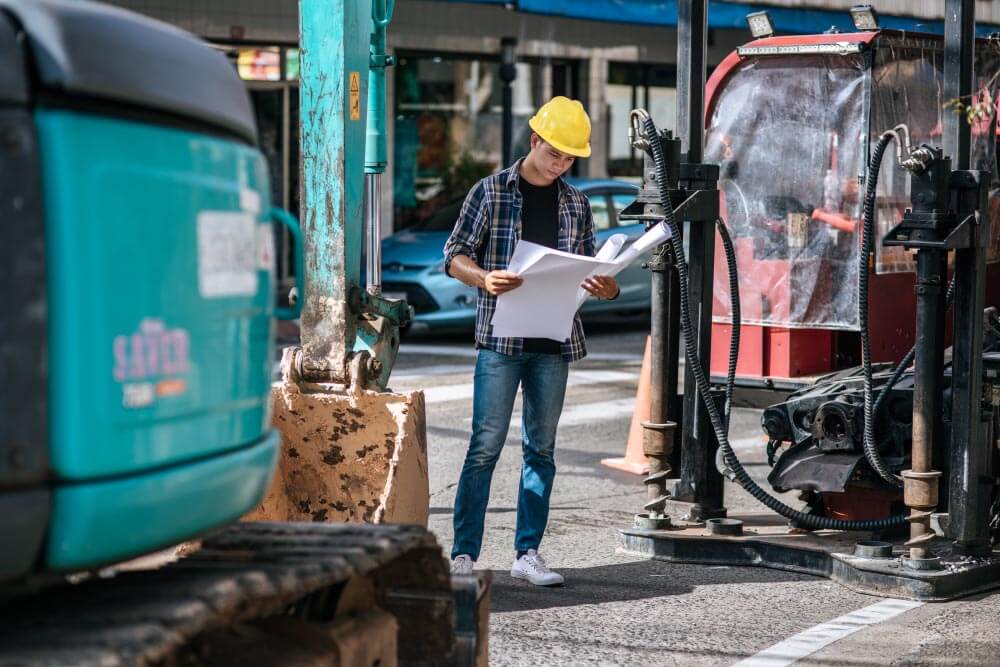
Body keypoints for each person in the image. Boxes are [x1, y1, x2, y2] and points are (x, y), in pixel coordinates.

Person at [443, 96, 619, 586]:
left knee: (541, 449)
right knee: (484, 446)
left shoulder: (577, 203)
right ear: (534, 140)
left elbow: (590, 268)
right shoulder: (492, 191)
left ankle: (528, 552)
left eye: (569, 158)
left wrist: (606, 286)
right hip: (501, 343)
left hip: (554, 344)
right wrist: (484, 279)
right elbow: (454, 255)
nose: (560, 164)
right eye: (554, 153)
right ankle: (463, 554)